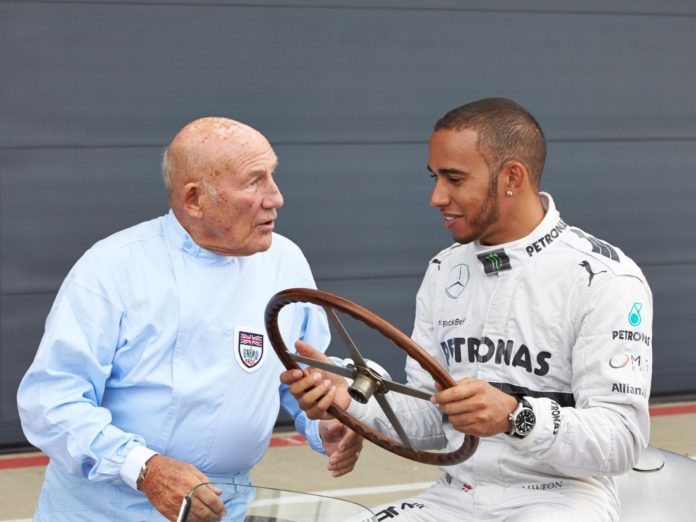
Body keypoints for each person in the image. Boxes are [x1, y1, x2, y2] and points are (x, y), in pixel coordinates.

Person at [282, 98, 653, 521]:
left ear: (512, 177)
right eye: (435, 177)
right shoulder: (444, 270)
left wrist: (517, 417)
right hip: (454, 493)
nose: (436, 197)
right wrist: (348, 395)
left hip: (559, 499)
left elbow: (621, 441)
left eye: (454, 179)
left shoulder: (604, 278)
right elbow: (428, 422)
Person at [17, 117, 361, 522]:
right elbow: (51, 403)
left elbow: (302, 374)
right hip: (103, 510)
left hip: (224, 508)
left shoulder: (285, 262)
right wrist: (144, 468)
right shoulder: (112, 268)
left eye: (273, 175)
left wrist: (327, 423)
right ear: (194, 199)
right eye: (254, 181)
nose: (276, 197)